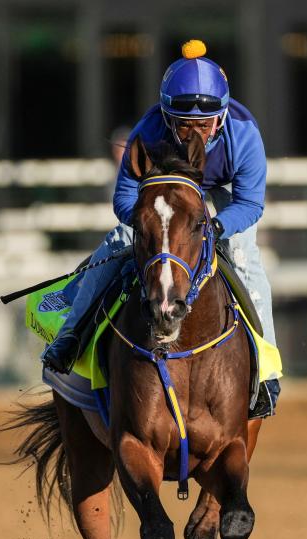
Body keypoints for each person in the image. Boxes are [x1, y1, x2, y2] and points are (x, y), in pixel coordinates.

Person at [41, 39, 279, 414]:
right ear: (168, 117)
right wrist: (150, 219)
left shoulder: (244, 133)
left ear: (221, 114)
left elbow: (250, 203)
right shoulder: (148, 131)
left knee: (246, 255)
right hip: (162, 201)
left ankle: (266, 372)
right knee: (118, 241)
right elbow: (122, 199)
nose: (195, 134)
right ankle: (70, 337)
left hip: (220, 202)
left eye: (204, 124)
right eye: (185, 126)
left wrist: (215, 226)